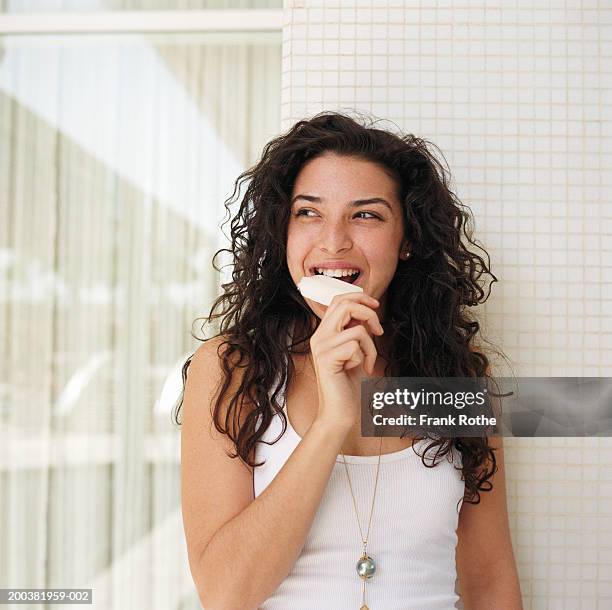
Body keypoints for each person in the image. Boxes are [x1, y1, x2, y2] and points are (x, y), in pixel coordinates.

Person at [176, 112, 523, 610]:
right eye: (309, 212)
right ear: (283, 232)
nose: (334, 241)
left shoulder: (456, 381)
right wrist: (335, 419)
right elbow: (227, 593)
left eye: (366, 215)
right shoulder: (233, 369)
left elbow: (489, 579)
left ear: (407, 241)